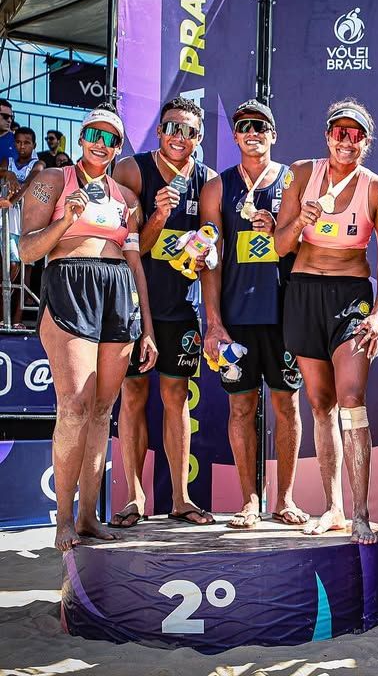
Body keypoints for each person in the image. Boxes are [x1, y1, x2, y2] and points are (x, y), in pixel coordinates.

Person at [19, 106, 157, 550]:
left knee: (101, 411)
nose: (101, 143)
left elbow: (135, 261)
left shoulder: (126, 198)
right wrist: (65, 220)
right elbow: (26, 251)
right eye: (94, 134)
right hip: (69, 284)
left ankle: (87, 517)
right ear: (81, 138)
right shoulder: (53, 180)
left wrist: (147, 326)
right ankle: (62, 520)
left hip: (118, 292)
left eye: (111, 138)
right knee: (75, 408)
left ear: (118, 147)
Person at [273, 98, 378, 543]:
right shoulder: (301, 174)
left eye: (355, 134)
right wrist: (299, 222)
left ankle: (361, 513)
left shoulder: (376, 188)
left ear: (366, 141)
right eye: (339, 132)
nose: (347, 141)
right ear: (327, 136)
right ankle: (334, 508)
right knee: (320, 403)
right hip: (304, 292)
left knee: (352, 398)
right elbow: (280, 246)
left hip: (351, 297)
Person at [111, 96, 217, 528]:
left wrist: (204, 254)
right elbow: (130, 247)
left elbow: (212, 250)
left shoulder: (207, 181)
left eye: (189, 131)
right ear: (159, 130)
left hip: (180, 308)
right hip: (134, 307)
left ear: (199, 137)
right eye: (172, 127)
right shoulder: (132, 171)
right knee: (133, 395)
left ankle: (180, 498)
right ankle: (133, 498)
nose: (179, 136)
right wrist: (158, 215)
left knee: (176, 397)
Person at [199, 100, 305, 529]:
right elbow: (210, 260)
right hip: (237, 317)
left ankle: (287, 499)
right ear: (235, 136)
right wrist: (214, 322)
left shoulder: (292, 181)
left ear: (273, 134)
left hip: (284, 314)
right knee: (241, 408)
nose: (252, 132)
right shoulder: (217, 187)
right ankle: (249, 501)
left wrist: (279, 230)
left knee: (287, 406)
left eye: (260, 126)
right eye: (244, 126)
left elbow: (307, 245)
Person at [3, 127, 45, 327]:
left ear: (34, 145)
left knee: (25, 271)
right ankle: (3, 318)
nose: (22, 146)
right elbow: (2, 170)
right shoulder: (8, 162)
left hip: (28, 224)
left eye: (26, 142)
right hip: (9, 224)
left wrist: (12, 200)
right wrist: (8, 173)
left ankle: (18, 320)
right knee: (9, 268)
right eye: (18, 142)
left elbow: (29, 182)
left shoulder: (38, 164)